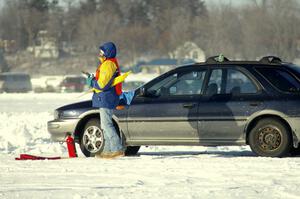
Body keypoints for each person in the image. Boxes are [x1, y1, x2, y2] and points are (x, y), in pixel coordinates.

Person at [86, 42, 124, 159]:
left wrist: (91, 81)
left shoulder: (108, 65)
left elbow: (102, 84)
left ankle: (117, 148)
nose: (99, 54)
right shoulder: (108, 64)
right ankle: (108, 150)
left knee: (107, 125)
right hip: (106, 98)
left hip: (107, 98)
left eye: (101, 52)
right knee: (104, 125)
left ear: (107, 53)